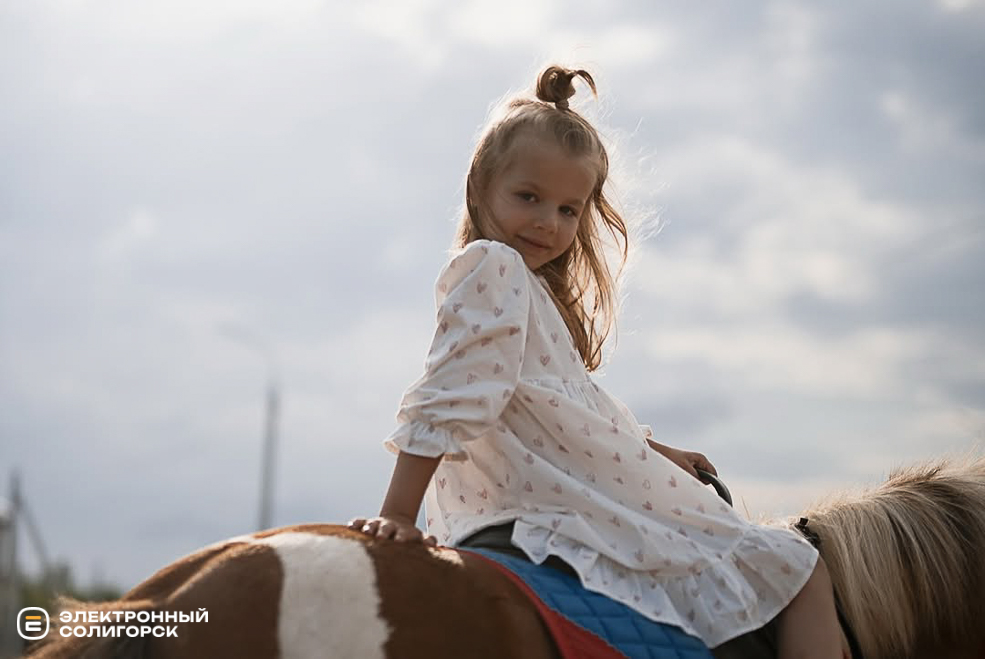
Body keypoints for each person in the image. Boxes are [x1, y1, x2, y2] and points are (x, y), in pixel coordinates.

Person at [349, 65, 846, 658]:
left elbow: (569, 405)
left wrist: (656, 452)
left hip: (542, 493)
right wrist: (398, 515)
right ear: (480, 187)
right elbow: (454, 385)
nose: (547, 222)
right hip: (550, 501)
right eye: (529, 197)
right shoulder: (495, 267)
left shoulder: (526, 290)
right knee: (795, 563)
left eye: (567, 209)